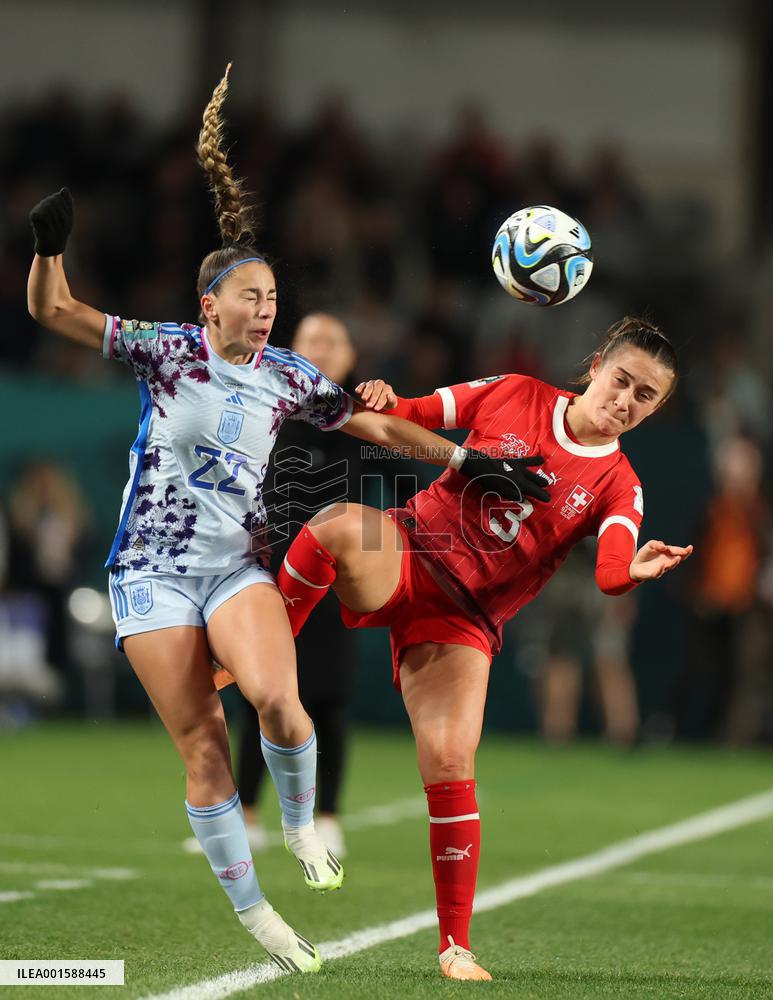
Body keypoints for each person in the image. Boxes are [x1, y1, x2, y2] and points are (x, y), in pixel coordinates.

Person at [25, 65, 540, 975]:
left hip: (234, 563)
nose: (265, 313)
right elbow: (54, 309)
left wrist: (469, 458)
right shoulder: (166, 353)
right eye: (250, 299)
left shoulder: (286, 375)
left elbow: (376, 421)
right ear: (208, 304)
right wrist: (47, 248)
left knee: (281, 704)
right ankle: (256, 912)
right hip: (148, 570)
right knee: (202, 748)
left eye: (272, 301)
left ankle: (300, 828)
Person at [275, 317, 693, 980]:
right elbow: (407, 414)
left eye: (644, 396)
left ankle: (454, 947)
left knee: (447, 758)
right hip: (409, 550)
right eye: (620, 380)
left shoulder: (619, 484)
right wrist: (381, 394)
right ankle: (267, 654)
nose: (624, 400)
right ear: (593, 367)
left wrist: (633, 569)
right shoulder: (513, 392)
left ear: (656, 408)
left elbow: (612, 567)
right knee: (334, 525)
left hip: (464, 622)